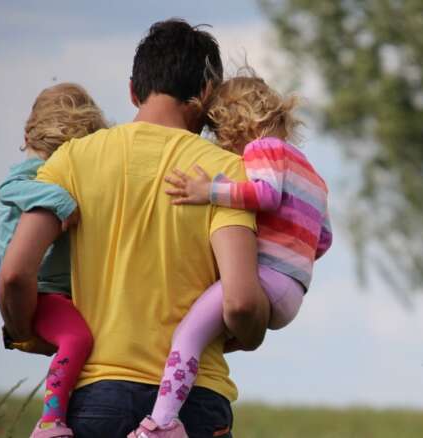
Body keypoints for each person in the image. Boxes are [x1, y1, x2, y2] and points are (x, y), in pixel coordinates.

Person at [0, 19, 269, 438]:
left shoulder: (70, 161)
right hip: (192, 406)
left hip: (95, 401)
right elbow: (243, 304)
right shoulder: (225, 174)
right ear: (206, 95)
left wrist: (22, 333)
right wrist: (248, 335)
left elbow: (15, 274)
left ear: (132, 90)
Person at [133, 71, 332, 435]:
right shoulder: (314, 176)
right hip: (292, 293)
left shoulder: (263, 149)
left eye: (219, 133)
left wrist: (211, 190)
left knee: (187, 335)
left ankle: (160, 425)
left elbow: (266, 195)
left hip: (266, 280)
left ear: (236, 123)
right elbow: (323, 240)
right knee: (208, 334)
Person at [0, 83, 105, 438]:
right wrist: (60, 199)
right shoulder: (29, 174)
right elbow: (8, 191)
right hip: (41, 291)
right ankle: (49, 421)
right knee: (76, 339)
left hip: (62, 291)